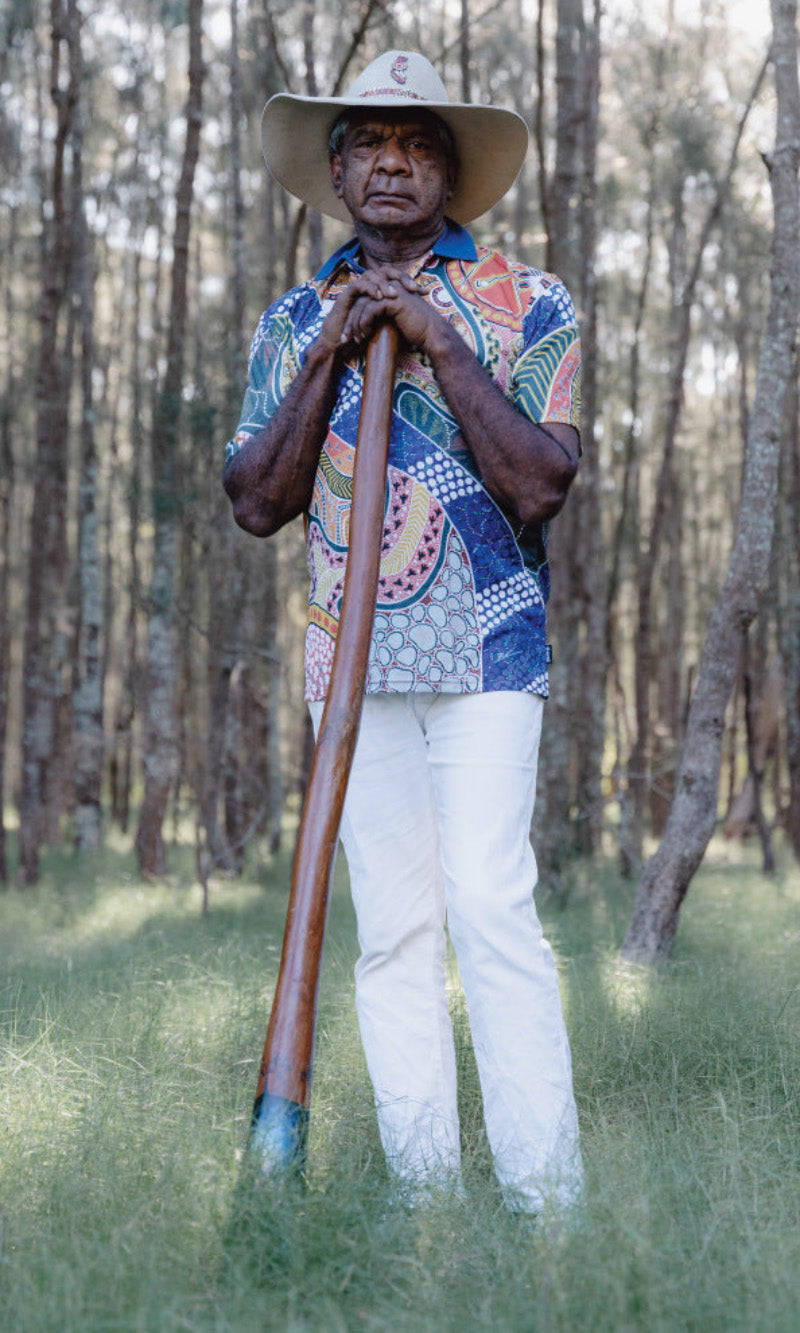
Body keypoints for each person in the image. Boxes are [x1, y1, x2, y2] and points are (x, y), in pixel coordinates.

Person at [223, 49, 583, 1214]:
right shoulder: (289, 319)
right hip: (351, 660)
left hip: (489, 654)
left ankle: (546, 1207)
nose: (390, 161)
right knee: (390, 934)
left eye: (416, 141)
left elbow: (539, 485)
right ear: (335, 171)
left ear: (450, 173)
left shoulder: (531, 301)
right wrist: (333, 348)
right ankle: (422, 1202)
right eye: (367, 142)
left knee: (488, 906)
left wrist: (433, 336)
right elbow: (255, 501)